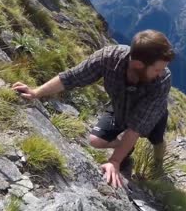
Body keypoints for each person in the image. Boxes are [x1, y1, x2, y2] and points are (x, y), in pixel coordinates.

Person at [12, 29, 174, 188]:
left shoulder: (162, 80)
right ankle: (126, 148)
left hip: (152, 113)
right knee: (95, 141)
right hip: (120, 106)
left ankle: (158, 165)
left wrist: (114, 161)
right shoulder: (108, 58)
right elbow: (71, 77)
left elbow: (136, 128)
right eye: (157, 69)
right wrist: (35, 92)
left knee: (157, 141)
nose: (160, 73)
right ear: (138, 64)